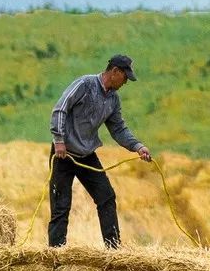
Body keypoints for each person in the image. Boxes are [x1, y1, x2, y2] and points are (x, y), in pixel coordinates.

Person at [48, 55, 151, 249]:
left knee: (106, 197)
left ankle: (113, 249)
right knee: (61, 206)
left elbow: (118, 129)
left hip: (87, 156)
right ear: (115, 72)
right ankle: (56, 253)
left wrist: (138, 146)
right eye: (125, 77)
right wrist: (59, 140)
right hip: (63, 154)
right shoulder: (84, 84)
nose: (125, 82)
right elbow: (60, 109)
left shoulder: (113, 100)